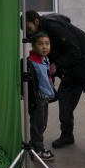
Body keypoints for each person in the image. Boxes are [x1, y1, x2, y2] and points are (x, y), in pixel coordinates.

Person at [24, 10, 85, 161]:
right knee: (64, 102)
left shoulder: (54, 27)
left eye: (29, 29)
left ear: (36, 21)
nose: (28, 34)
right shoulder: (41, 35)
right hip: (71, 71)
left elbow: (74, 51)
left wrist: (57, 66)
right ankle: (67, 135)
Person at [26, 31, 56, 160]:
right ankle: (38, 150)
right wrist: (23, 92)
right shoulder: (31, 62)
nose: (44, 47)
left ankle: (34, 145)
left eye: (47, 44)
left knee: (42, 124)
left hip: (45, 98)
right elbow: (27, 80)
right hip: (37, 99)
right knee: (37, 124)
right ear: (33, 46)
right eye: (40, 44)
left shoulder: (45, 59)